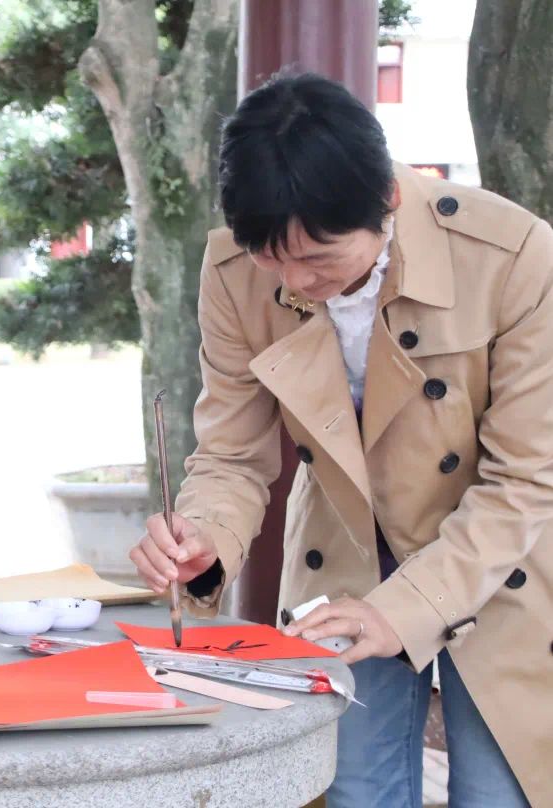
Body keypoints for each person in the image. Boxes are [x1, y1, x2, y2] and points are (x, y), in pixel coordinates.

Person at [129, 73, 547, 808]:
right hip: (344, 554)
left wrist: (404, 609)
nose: (295, 281)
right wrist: (204, 538)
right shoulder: (234, 272)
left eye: (319, 258)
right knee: (352, 789)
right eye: (271, 257)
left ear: (387, 198)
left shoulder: (511, 255)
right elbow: (231, 452)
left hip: (496, 554)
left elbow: (526, 477)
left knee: (500, 790)